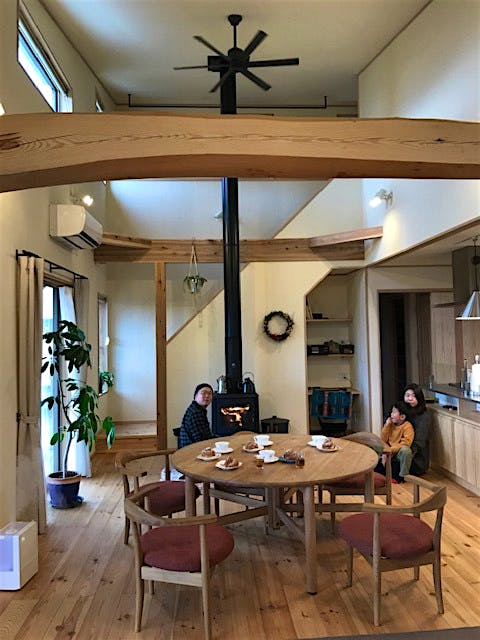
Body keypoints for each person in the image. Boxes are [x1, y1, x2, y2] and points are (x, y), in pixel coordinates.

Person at [376, 400, 414, 483]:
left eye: (394, 412)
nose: (391, 414)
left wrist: (389, 451)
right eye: (392, 412)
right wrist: (386, 425)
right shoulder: (390, 424)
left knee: (406, 451)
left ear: (402, 417)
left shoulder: (407, 426)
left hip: (397, 451)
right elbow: (383, 439)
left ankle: (403, 476)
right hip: (388, 449)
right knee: (374, 445)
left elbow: (406, 443)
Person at [403, 383, 431, 476]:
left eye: (414, 396)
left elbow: (419, 442)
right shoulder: (403, 412)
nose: (410, 398)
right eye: (407, 396)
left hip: (417, 460)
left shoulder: (424, 416)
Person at [178, 382, 214, 448]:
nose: (207, 396)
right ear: (195, 396)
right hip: (192, 451)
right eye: (203, 393)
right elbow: (201, 440)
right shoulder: (195, 412)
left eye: (209, 393)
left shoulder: (198, 409)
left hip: (197, 447)